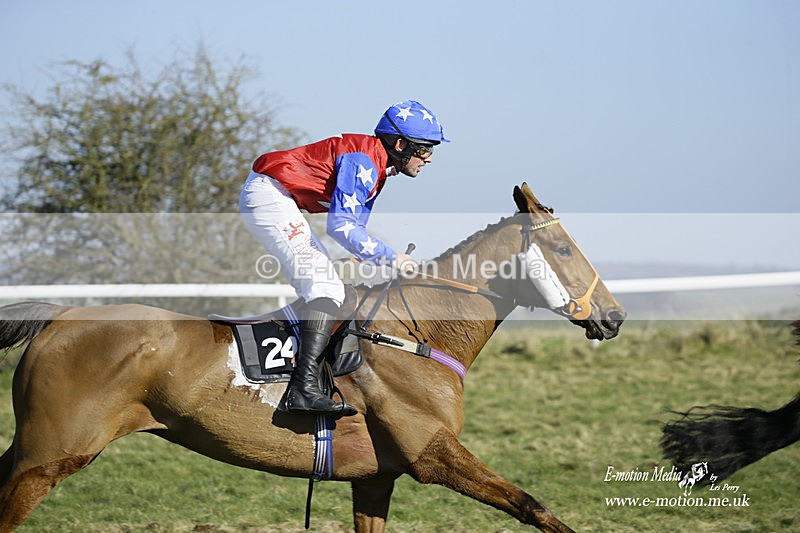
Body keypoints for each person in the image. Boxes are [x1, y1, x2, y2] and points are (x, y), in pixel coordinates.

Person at [240, 100, 449, 417]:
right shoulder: (363, 162)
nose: (429, 158)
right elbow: (341, 227)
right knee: (326, 289)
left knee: (332, 287)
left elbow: (355, 230)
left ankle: (308, 376)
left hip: (279, 198)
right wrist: (393, 258)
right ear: (400, 143)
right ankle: (302, 389)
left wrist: (372, 259)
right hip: (270, 196)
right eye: (424, 149)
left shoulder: (376, 167)